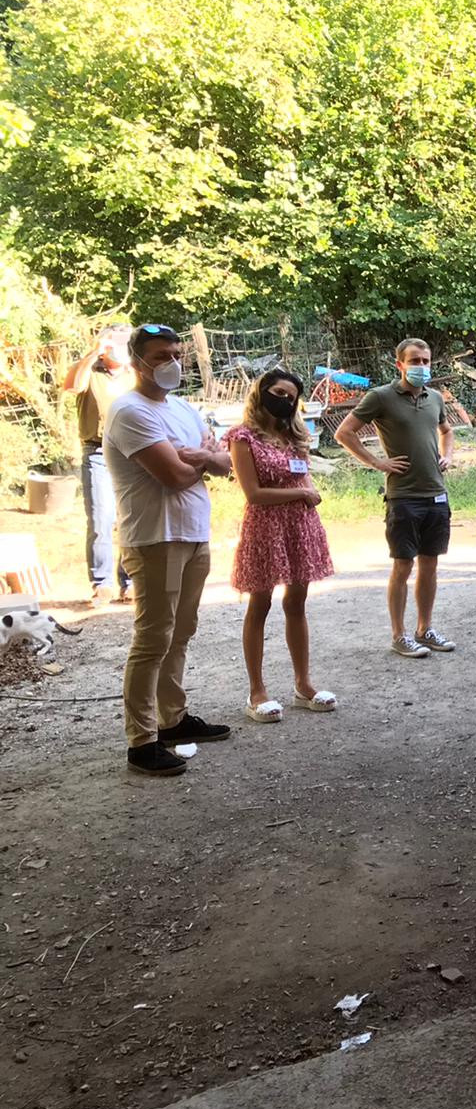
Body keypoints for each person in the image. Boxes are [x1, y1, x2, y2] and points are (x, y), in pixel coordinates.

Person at [104, 323, 234, 776]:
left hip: (193, 531)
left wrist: (197, 457)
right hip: (154, 536)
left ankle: (173, 720)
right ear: (136, 362)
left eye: (176, 354)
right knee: (153, 637)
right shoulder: (128, 412)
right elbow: (174, 476)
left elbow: (224, 461)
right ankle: (142, 742)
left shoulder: (182, 408)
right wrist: (199, 461)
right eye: (160, 356)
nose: (172, 364)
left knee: (182, 631)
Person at [336, 337, 457, 659]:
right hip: (403, 495)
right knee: (403, 565)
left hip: (436, 494)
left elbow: (447, 431)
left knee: (430, 564)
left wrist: (447, 455)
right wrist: (377, 462)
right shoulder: (381, 397)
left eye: (425, 361)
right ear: (399, 364)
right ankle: (399, 635)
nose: (421, 367)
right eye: (414, 361)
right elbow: (344, 432)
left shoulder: (434, 398)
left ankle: (425, 629)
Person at [225, 370, 336, 721]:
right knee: (260, 602)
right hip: (265, 527)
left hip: (300, 525)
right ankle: (257, 691)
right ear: (261, 393)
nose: (285, 401)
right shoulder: (243, 437)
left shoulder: (295, 434)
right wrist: (301, 493)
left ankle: (304, 685)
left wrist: (306, 491)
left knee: (298, 601)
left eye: (291, 396)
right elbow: (253, 493)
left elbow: (302, 474)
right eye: (278, 392)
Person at [64, 326, 134, 604]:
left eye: (125, 342)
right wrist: (94, 352)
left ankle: (128, 581)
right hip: (97, 451)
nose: (120, 347)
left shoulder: (135, 374)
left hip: (131, 453)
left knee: (130, 517)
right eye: (114, 342)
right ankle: (101, 583)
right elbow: (72, 385)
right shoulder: (89, 370)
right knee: (101, 518)